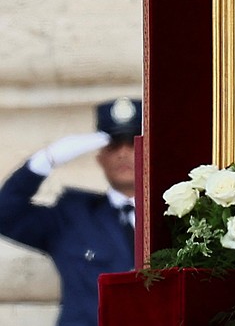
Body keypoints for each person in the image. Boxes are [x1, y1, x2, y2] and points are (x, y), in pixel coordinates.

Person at [0, 96, 141, 326]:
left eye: (133, 143)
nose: (123, 153)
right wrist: (47, 159)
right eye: (113, 145)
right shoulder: (73, 216)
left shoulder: (174, 216)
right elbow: (6, 214)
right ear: (100, 157)